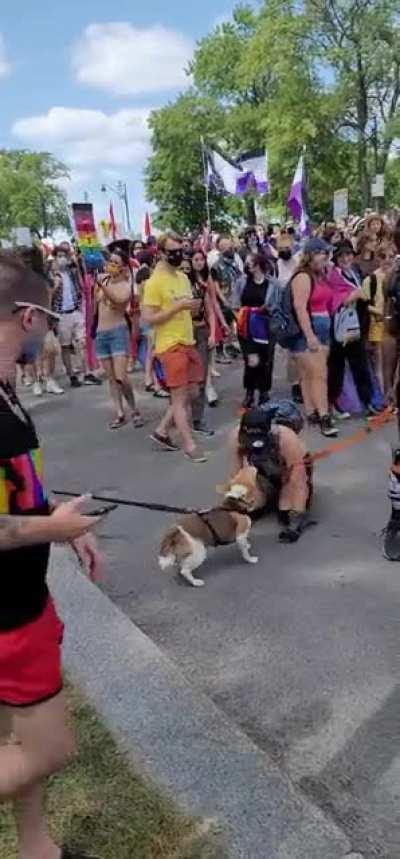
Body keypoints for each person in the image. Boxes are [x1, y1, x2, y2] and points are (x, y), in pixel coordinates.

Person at [0, 249, 103, 859]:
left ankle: (39, 851)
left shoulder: (7, 386)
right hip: (8, 615)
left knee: (16, 737)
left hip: (21, 597)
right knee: (49, 748)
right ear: (31, 317)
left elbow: (17, 485)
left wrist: (60, 516)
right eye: (53, 316)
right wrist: (50, 531)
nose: (60, 330)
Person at [142, 233, 207, 463]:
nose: (178, 255)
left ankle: (161, 431)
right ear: (160, 253)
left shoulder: (182, 277)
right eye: (173, 251)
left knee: (193, 392)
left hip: (188, 340)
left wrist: (193, 308)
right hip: (170, 345)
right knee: (179, 399)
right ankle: (189, 445)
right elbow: (148, 318)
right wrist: (178, 307)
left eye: (181, 250)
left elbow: (187, 310)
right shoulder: (153, 283)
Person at [229, 403, 313, 543]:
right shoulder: (235, 438)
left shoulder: (286, 438)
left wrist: (296, 521)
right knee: (251, 507)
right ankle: (267, 495)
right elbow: (235, 475)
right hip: (263, 468)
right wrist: (231, 507)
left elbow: (298, 480)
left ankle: (283, 499)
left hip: (288, 469)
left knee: (286, 514)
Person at [289, 237, 337, 437]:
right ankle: (324, 417)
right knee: (319, 375)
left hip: (322, 325)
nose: (325, 257)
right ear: (310, 255)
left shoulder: (320, 275)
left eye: (326, 253)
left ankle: (311, 412)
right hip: (309, 328)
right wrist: (309, 335)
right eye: (321, 253)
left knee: (310, 375)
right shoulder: (303, 277)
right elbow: (300, 307)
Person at [94, 247, 143, 429]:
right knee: (111, 378)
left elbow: (119, 301)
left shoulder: (126, 285)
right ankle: (120, 413)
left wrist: (102, 287)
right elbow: (95, 309)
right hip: (101, 334)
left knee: (121, 377)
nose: (111, 265)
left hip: (118, 332)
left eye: (116, 263)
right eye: (110, 261)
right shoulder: (103, 280)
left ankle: (134, 409)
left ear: (123, 268)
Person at [327, 241, 376, 416]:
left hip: (355, 325)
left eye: (348, 254)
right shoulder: (333, 275)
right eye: (341, 255)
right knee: (336, 366)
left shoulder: (355, 272)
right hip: (338, 327)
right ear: (336, 258)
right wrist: (354, 295)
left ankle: (368, 401)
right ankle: (332, 404)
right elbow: (336, 300)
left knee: (360, 364)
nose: (346, 258)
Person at [50, 245, 101, 389]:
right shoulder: (52, 275)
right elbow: (50, 295)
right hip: (61, 315)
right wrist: (55, 284)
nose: (62, 259)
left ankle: (86, 373)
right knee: (65, 346)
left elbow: (81, 286)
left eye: (64, 256)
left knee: (82, 343)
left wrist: (77, 265)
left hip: (75, 312)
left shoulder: (72, 272)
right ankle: (71, 375)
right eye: (58, 256)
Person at [238, 252, 275, 408]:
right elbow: (235, 302)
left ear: (259, 264)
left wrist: (268, 309)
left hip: (266, 325)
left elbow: (277, 304)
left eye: (250, 262)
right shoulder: (242, 282)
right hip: (247, 324)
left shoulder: (272, 284)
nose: (248, 266)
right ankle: (250, 392)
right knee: (251, 360)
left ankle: (264, 391)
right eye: (246, 263)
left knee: (266, 360)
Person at [361, 244, 397, 395]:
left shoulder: (396, 276)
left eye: (391, 256)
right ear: (377, 258)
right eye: (383, 256)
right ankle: (383, 396)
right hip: (378, 324)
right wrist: (381, 312)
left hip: (395, 323)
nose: (387, 260)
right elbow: (364, 305)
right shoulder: (371, 279)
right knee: (381, 364)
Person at [189, 250, 217, 435]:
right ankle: (180, 417)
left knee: (200, 379)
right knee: (181, 382)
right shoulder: (175, 289)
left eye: (201, 259)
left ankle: (197, 419)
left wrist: (213, 334)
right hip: (181, 336)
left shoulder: (201, 287)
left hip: (200, 332)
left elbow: (211, 310)